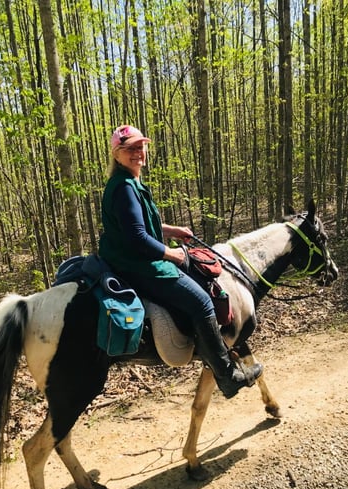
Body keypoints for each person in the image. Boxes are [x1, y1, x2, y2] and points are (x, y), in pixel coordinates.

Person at [98, 124, 263, 398]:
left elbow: (141, 223)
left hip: (132, 258)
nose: (138, 153)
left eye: (141, 147)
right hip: (138, 265)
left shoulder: (131, 183)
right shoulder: (124, 188)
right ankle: (226, 375)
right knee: (200, 301)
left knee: (199, 270)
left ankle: (204, 344)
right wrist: (170, 252)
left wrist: (172, 231)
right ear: (117, 154)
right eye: (130, 149)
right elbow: (138, 237)